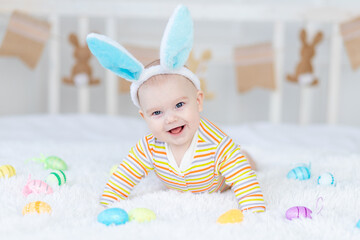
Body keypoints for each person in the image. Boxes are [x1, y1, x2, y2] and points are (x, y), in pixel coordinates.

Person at [87, 5, 266, 213]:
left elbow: (243, 179)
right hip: (181, 183)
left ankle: (249, 156)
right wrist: (107, 202)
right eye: (157, 113)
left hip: (218, 182)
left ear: (198, 101)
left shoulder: (218, 145)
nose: (170, 118)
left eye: (179, 105)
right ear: (144, 117)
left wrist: (254, 213)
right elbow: (125, 173)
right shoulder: (149, 146)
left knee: (243, 162)